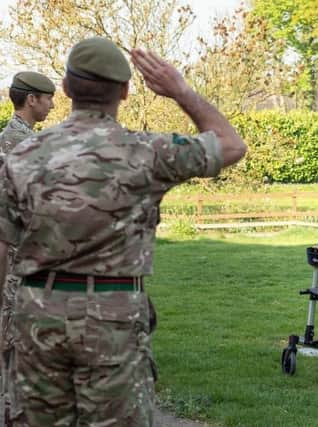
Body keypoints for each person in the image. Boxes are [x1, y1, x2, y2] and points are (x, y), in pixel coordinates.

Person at [0, 36, 246, 427]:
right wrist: (179, 90)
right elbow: (230, 144)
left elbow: (4, 243)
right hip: (111, 316)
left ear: (64, 88)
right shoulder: (146, 152)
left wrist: (5, 318)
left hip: (37, 314)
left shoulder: (23, 155)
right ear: (126, 91)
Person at [0, 71, 55, 427]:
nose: (52, 104)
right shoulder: (18, 145)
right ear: (31, 99)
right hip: (19, 266)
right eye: (47, 97)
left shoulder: (22, 140)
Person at [0, 71, 55, 160]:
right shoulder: (29, 145)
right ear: (31, 99)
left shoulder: (6, 136)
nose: (52, 106)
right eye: (49, 98)